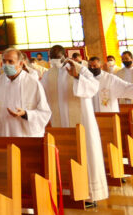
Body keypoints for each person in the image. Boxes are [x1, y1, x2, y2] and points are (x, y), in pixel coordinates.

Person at [40, 44, 106, 202]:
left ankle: (89, 193)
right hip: (58, 124)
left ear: (64, 56)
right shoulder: (48, 74)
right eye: (51, 57)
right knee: (62, 153)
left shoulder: (81, 69)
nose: (54, 60)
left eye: (56, 57)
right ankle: (66, 190)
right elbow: (41, 94)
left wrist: (77, 77)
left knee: (85, 150)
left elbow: (93, 87)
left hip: (81, 122)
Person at [0, 48, 50, 137]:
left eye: (10, 61)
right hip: (3, 134)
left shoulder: (33, 83)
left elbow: (44, 113)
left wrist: (25, 114)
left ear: (20, 64)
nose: (6, 65)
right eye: (4, 61)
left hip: (26, 136)